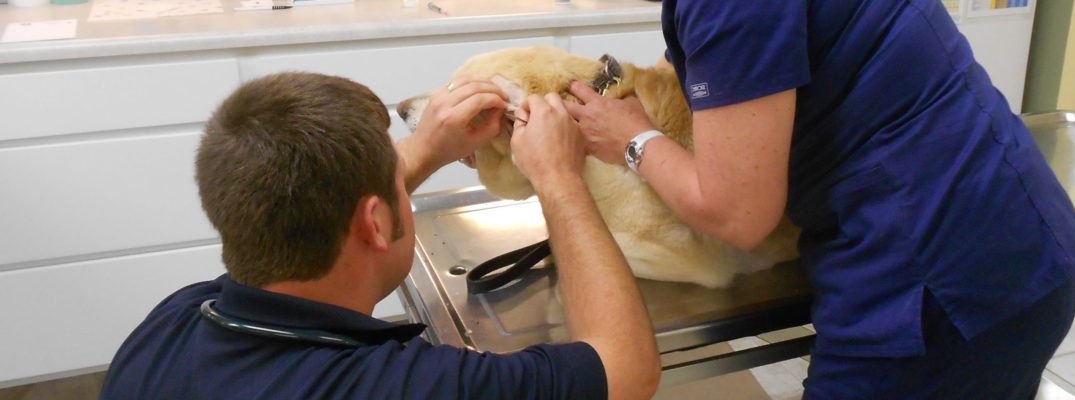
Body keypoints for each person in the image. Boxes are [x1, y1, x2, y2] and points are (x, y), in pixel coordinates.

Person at [565, 0, 1075, 398]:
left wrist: (633, 142)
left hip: (945, 280)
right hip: (1018, 224)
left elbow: (738, 213)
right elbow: (732, 54)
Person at [100, 72, 660, 399]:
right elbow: (626, 369)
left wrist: (421, 153)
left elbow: (306, 211)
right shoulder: (396, 387)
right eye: (399, 181)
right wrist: (558, 177)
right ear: (373, 222)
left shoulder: (170, 323)